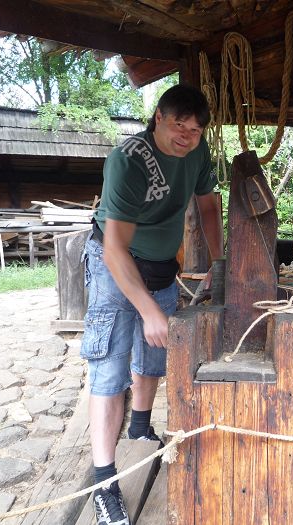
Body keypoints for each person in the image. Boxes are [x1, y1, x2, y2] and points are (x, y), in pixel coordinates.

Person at [80, 84, 222, 525]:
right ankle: (104, 482)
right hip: (114, 265)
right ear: (158, 117)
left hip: (161, 266)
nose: (187, 137)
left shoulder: (198, 153)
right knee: (110, 369)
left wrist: (219, 262)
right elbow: (114, 249)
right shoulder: (128, 161)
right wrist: (147, 309)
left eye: (195, 130)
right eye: (179, 125)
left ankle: (140, 430)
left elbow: (209, 208)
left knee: (153, 358)